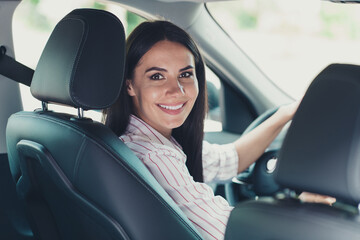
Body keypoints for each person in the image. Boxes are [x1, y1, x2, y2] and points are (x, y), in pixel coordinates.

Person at [103, 20, 333, 240]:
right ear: (129, 84)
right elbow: (228, 232)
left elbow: (227, 160)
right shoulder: (154, 155)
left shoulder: (135, 141)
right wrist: (303, 211)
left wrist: (285, 114)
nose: (177, 90)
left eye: (185, 74)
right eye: (157, 76)